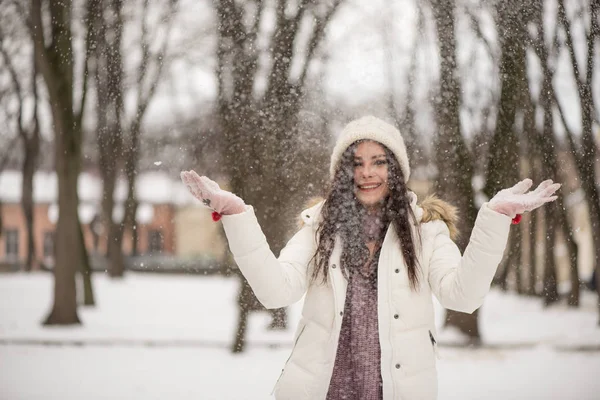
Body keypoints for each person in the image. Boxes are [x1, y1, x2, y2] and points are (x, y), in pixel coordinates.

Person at [181, 116, 560, 400]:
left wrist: (495, 217)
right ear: (342, 172)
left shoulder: (424, 229)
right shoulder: (319, 228)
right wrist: (235, 214)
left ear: (395, 170)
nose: (366, 173)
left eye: (378, 161)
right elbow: (276, 291)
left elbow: (463, 295)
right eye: (356, 162)